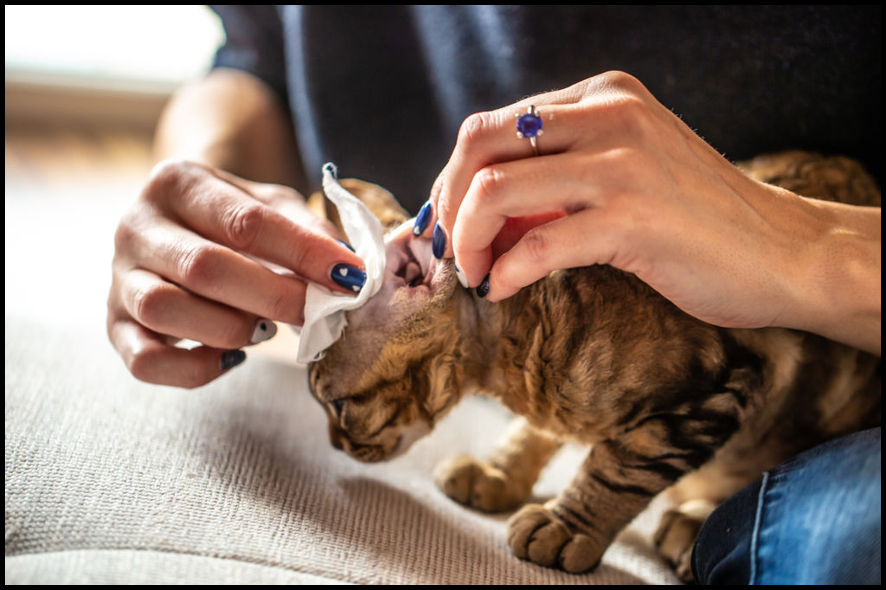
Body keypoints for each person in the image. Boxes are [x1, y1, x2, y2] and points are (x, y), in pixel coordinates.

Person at [106, 6, 880, 583]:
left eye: (343, 408)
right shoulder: (528, 338)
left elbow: (708, 383)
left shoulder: (592, 345)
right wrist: (203, 191)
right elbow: (254, 63)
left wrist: (801, 247)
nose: (343, 442)